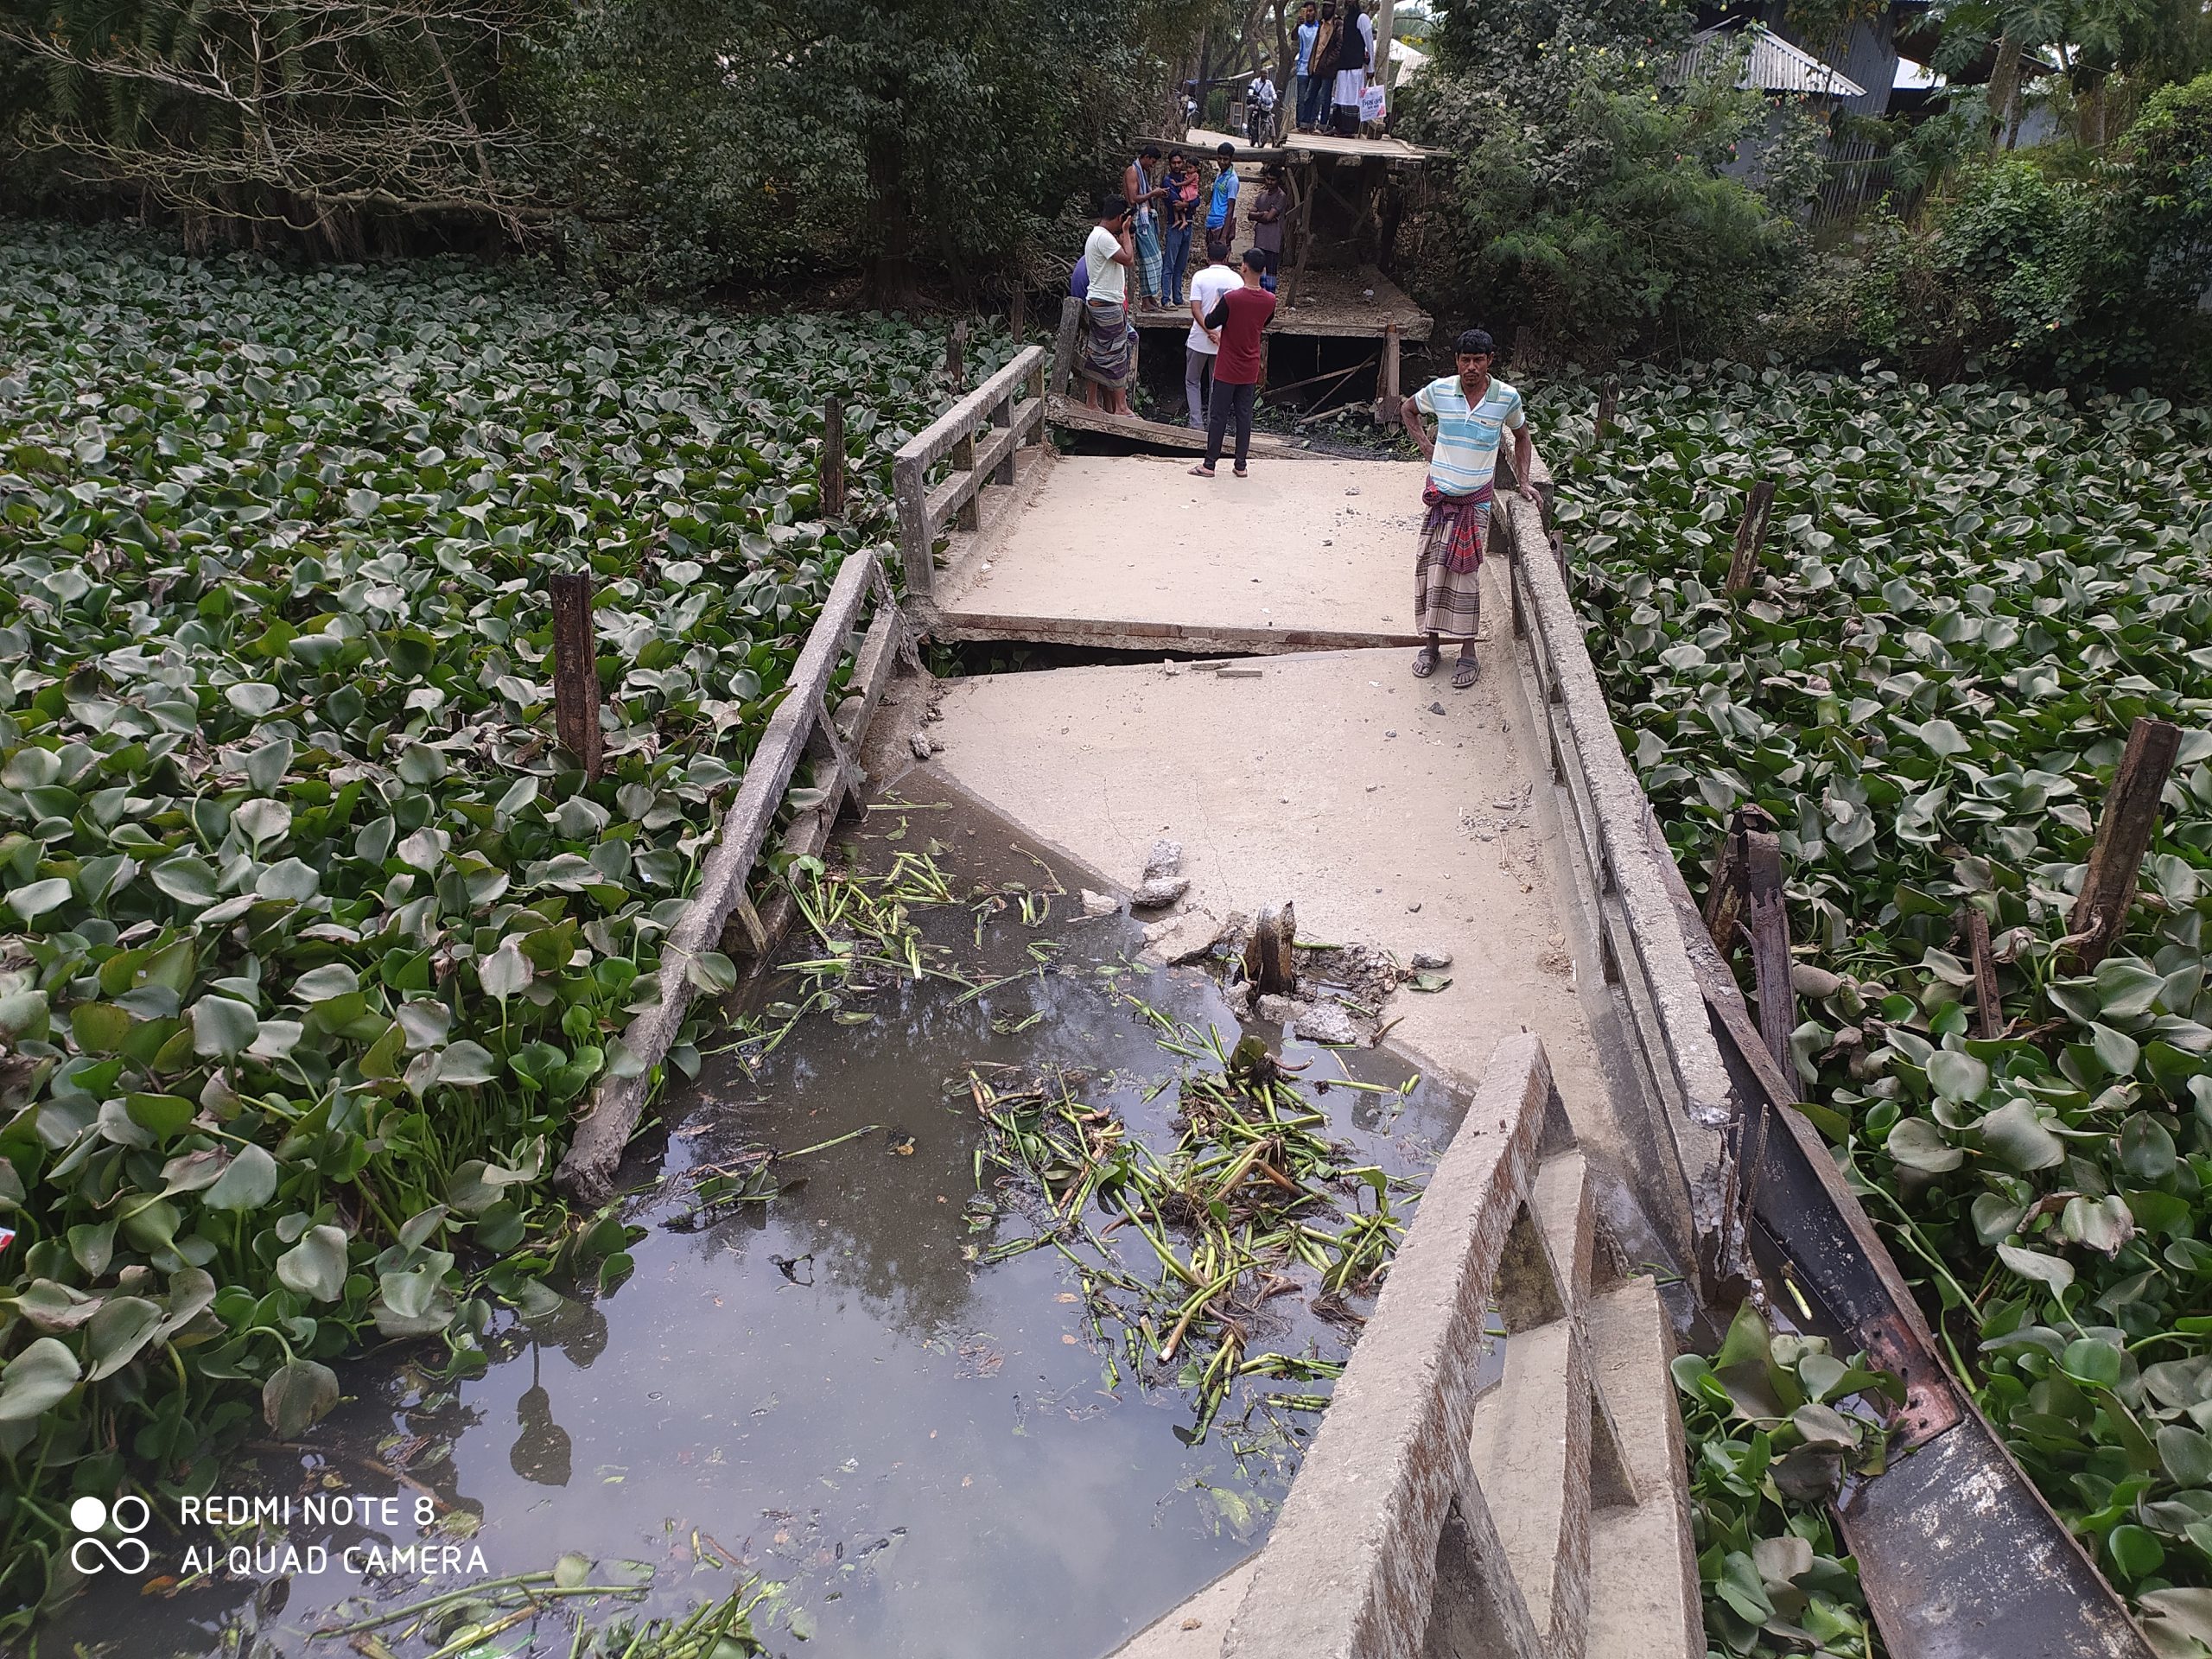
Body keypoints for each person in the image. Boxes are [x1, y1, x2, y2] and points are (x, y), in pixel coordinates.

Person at [1399, 328, 1536, 688]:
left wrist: (1523, 481)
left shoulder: (1506, 398)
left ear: (1491, 360)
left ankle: (1468, 652)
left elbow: (1522, 437)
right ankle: (1430, 647)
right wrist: (1427, 447)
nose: (1470, 367)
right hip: (1440, 499)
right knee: (1430, 570)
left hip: (1474, 503)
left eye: (1478, 360)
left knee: (1465, 578)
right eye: (1464, 360)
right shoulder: (1441, 390)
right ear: (1456, 361)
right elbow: (1407, 410)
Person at [1190, 248, 1277, 479]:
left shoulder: (1232, 298)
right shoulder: (1270, 300)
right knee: (1244, 415)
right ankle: (1240, 465)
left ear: (1244, 267)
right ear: (1264, 270)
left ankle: (1210, 464)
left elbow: (1210, 320)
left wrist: (1218, 301)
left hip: (1227, 364)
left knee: (1218, 415)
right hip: (1250, 365)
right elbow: (1264, 323)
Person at [1079, 195, 1137, 416]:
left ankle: (1092, 402)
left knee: (1098, 352)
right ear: (1120, 217)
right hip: (1107, 303)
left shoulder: (1098, 236)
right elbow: (1128, 259)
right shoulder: (1103, 237)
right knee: (1117, 353)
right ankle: (1121, 408)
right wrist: (1126, 232)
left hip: (1100, 301)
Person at [1185, 237, 1241, 429]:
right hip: (1224, 341)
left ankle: (1196, 423)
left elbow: (1195, 309)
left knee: (1193, 381)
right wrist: (1218, 333)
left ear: (1207, 258)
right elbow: (1237, 313)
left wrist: (1208, 330)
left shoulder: (1199, 277)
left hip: (1199, 338)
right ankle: (1215, 425)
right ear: (1227, 257)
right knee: (1217, 384)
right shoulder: (1236, 280)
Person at [1123, 146, 1167, 312]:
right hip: (1139, 221)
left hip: (1147, 219)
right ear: (1147, 157)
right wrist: (1153, 194)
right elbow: (1134, 199)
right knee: (1149, 261)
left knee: (1155, 260)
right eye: (1153, 162)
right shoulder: (1133, 171)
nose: (1152, 166)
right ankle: (1145, 301)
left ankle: (1150, 298)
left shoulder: (1142, 171)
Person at [1160, 149, 1198, 307]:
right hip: (1174, 226)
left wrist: (1187, 204)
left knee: (1181, 265)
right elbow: (1174, 200)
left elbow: (1198, 199)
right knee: (1169, 263)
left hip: (1188, 224)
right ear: (1169, 164)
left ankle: (1178, 298)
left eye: (1179, 162)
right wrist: (1189, 203)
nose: (1177, 165)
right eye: (1174, 162)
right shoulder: (1167, 181)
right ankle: (1166, 299)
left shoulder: (1187, 177)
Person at [1332, 0, 1375, 137]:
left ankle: (1349, 130)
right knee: (1341, 97)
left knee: (1352, 98)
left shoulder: (1362, 18)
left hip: (1356, 66)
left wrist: (1371, 67)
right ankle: (1339, 127)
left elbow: (1369, 43)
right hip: (1344, 64)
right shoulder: (1347, 18)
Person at [1247, 167, 1288, 293]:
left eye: (1273, 180)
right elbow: (1250, 215)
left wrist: (1259, 215)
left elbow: (1268, 217)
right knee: (1257, 273)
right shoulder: (1262, 195)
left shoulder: (1281, 196)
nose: (1269, 182)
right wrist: (1262, 214)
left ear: (1278, 180)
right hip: (1260, 240)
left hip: (1272, 241)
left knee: (1270, 276)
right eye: (1268, 179)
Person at [1301, 2, 1340, 132]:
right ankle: (1304, 124)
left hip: (1328, 69)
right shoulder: (1321, 24)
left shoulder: (1338, 25)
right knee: (1309, 96)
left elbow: (1339, 47)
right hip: (1317, 66)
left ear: (1333, 9)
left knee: (1325, 98)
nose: (1326, 9)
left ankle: (1322, 127)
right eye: (1324, 6)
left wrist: (1328, 62)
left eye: (1329, 6)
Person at [1293, 2, 1320, 133]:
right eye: (1307, 11)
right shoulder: (1301, 27)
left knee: (1315, 98)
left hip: (1315, 68)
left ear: (1315, 12)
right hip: (1302, 68)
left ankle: (1312, 123)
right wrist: (1296, 25)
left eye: (1311, 11)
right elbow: (1293, 37)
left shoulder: (1319, 28)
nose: (1309, 13)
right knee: (1301, 99)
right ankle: (1300, 124)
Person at [1205, 143, 1241, 243]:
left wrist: (1224, 236)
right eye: (1219, 158)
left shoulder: (1232, 180)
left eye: (1225, 159)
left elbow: (1230, 209)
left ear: (1231, 159)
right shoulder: (1220, 174)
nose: (1221, 162)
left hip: (1221, 225)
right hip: (1212, 222)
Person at [1246, 69, 1278, 143]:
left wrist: (1274, 97)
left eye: (1266, 74)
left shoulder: (1269, 83)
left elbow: (1272, 91)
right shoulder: (1256, 81)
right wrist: (1250, 94)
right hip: (1257, 101)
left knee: (1270, 119)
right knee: (1251, 108)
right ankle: (1249, 126)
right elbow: (1252, 88)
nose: (1265, 75)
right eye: (1263, 73)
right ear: (1260, 74)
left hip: (1265, 103)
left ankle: (1274, 140)